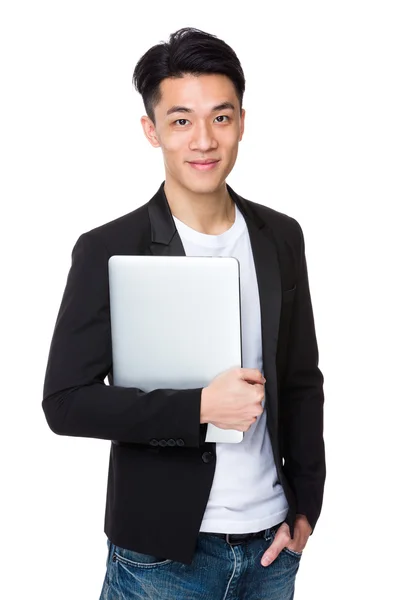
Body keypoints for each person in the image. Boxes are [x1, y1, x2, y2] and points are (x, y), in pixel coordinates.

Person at [42, 27, 325, 600]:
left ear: (242, 121)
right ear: (152, 131)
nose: (203, 140)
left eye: (220, 118)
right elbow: (65, 401)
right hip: (162, 556)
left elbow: (301, 381)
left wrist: (306, 505)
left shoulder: (281, 237)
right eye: (180, 121)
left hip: (271, 546)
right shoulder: (108, 248)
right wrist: (198, 407)